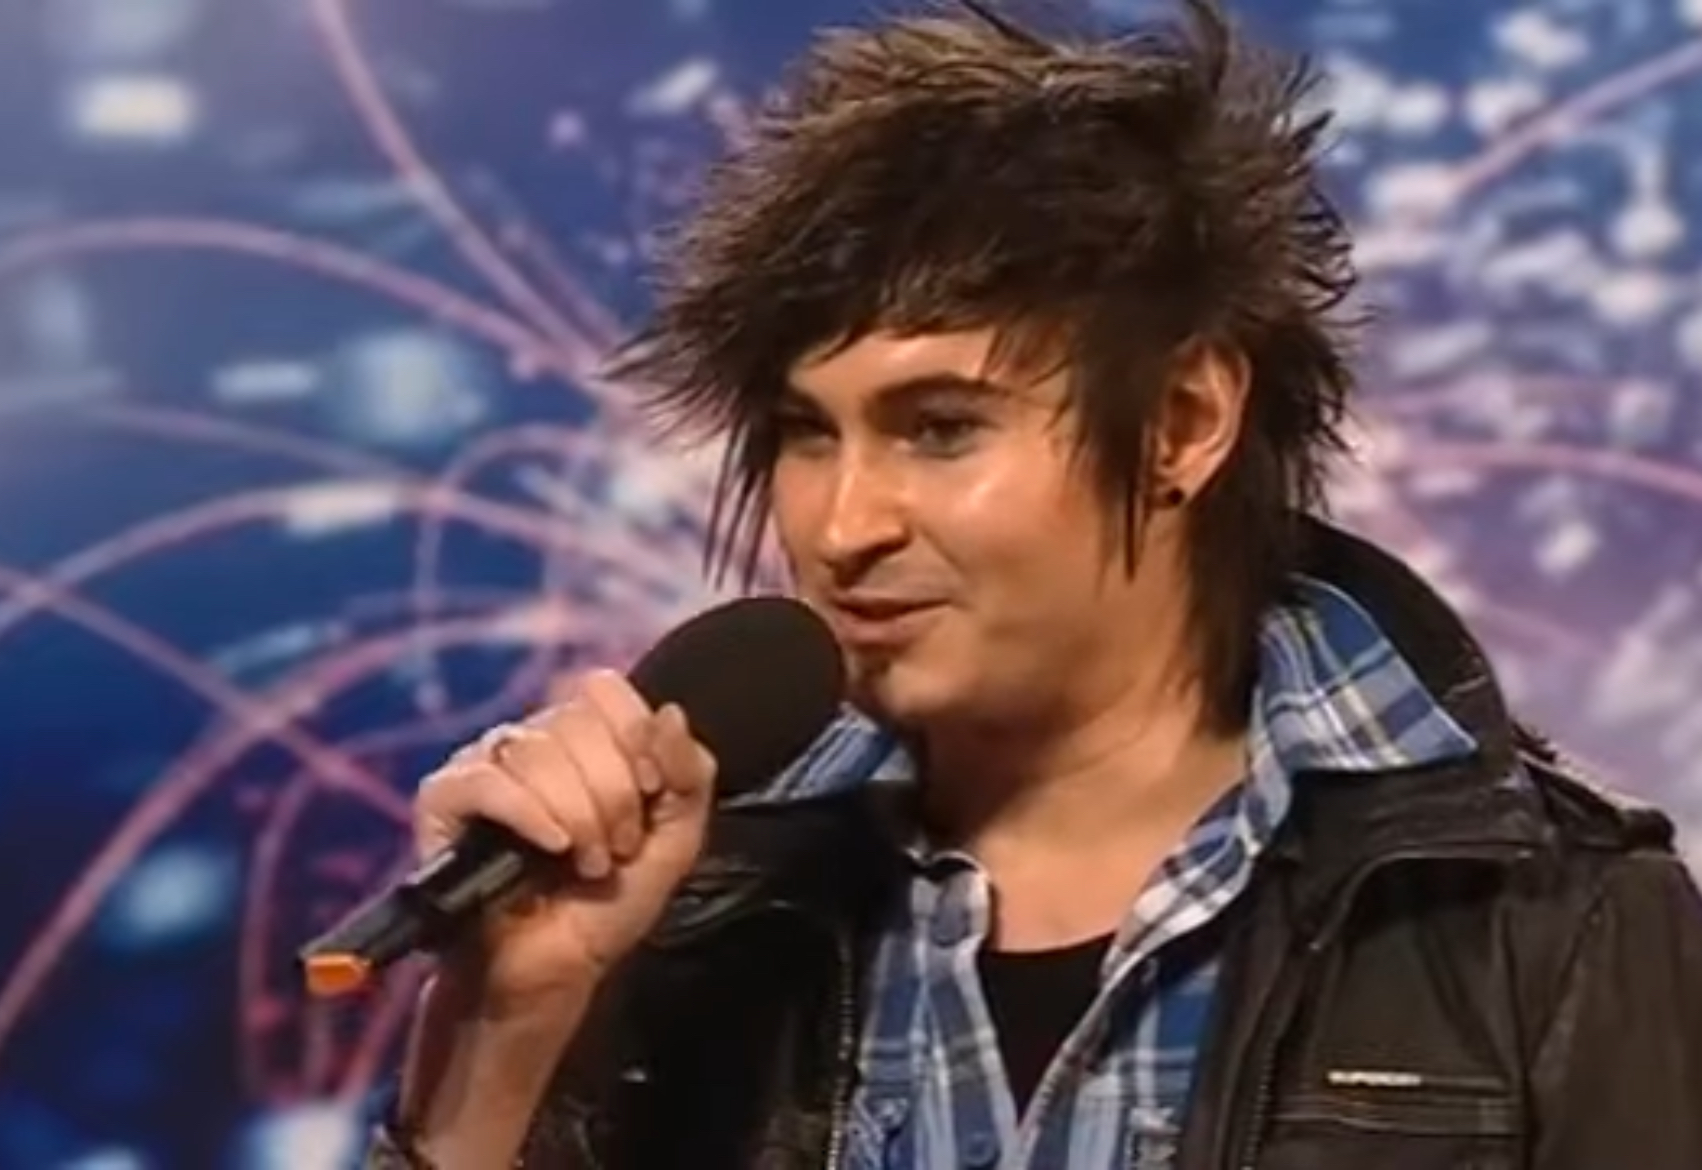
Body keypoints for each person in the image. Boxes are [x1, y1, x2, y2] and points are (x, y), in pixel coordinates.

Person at [364, 0, 1702, 1166]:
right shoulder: (685, 912)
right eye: (805, 434)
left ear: (1182, 422)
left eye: (940, 428)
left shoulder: (1546, 921)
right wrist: (498, 1037)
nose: (843, 524)